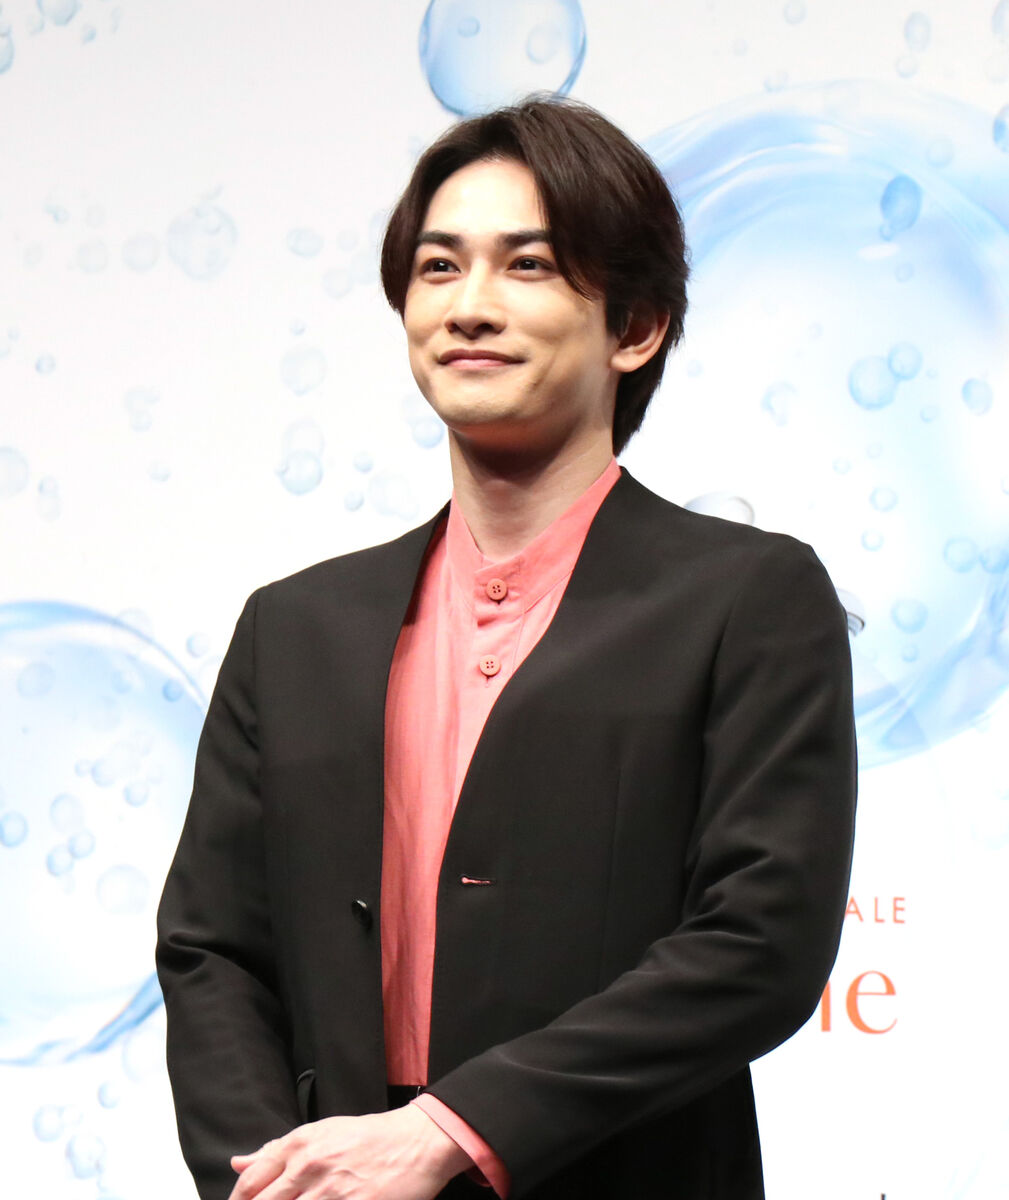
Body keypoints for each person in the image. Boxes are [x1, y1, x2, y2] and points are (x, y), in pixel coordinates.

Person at [156, 97, 857, 1200]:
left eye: (526, 265)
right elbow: (214, 952)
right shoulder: (294, 627)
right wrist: (275, 1181)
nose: (468, 306)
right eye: (438, 268)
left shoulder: (745, 598)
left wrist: (451, 1131)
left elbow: (758, 941)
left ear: (635, 327)